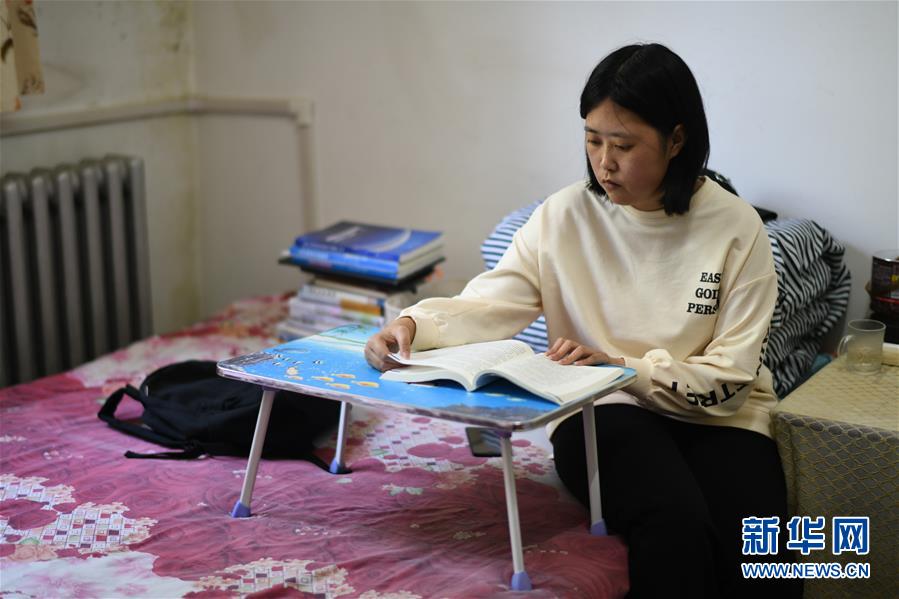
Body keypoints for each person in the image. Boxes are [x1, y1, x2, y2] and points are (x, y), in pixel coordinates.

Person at [365, 43, 800, 598]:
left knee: (765, 554)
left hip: (720, 415)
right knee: (675, 525)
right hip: (601, 407)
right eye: (593, 140)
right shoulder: (563, 216)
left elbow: (732, 377)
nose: (604, 162)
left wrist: (622, 364)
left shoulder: (736, 228)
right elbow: (490, 303)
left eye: (624, 145)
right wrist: (413, 325)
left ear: (676, 140)